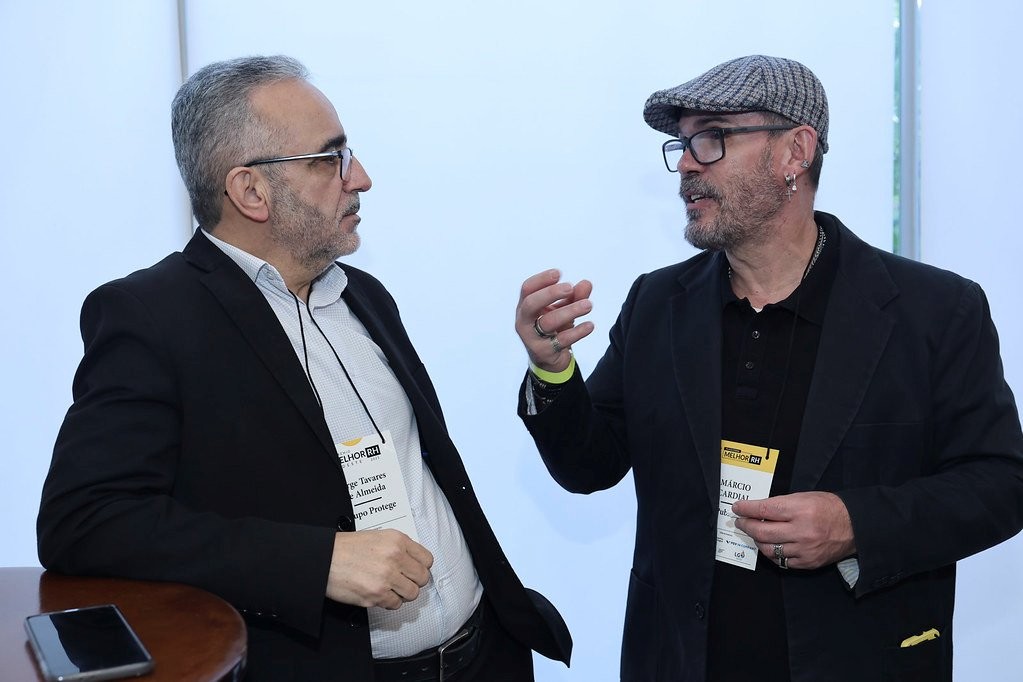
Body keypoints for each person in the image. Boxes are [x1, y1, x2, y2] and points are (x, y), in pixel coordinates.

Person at [37, 55, 571, 682]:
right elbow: (86, 521)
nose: (361, 178)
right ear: (250, 191)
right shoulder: (151, 316)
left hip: (485, 652)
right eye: (330, 158)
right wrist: (317, 563)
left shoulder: (364, 295)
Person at [513, 54, 1023, 682]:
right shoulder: (658, 304)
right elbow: (589, 465)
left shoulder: (933, 311)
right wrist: (552, 371)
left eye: (712, 138)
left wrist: (854, 525)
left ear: (795, 153)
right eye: (683, 144)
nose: (688, 164)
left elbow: (1001, 484)